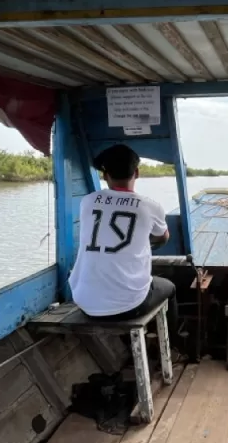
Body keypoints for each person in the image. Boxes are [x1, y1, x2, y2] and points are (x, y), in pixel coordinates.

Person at [69, 144, 179, 341]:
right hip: (130, 306)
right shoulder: (151, 206)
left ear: (105, 175)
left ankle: (128, 349)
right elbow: (163, 237)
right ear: (136, 173)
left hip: (84, 302)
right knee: (169, 288)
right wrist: (147, 243)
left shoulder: (87, 201)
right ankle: (174, 345)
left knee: (122, 294)